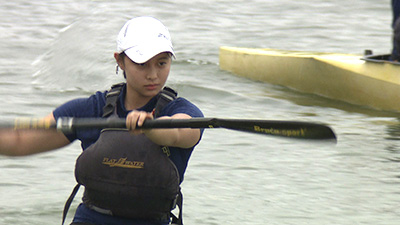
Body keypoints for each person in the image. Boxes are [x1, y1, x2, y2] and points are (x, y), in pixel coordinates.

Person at [0, 16, 203, 225]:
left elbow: (183, 132)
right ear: (120, 60)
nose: (153, 75)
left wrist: (151, 127)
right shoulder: (94, 108)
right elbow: (19, 140)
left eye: (162, 63)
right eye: (142, 64)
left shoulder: (180, 110)